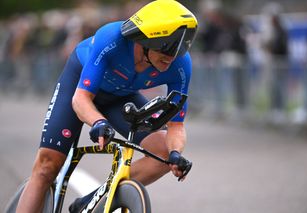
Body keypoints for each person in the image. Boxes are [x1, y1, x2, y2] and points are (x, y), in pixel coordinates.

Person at [16, 0, 198, 212]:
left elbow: (176, 126)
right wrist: (98, 121)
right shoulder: (112, 38)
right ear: (146, 39)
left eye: (178, 51)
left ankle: (93, 200)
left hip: (120, 97)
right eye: (166, 49)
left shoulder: (181, 64)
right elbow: (81, 99)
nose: (172, 57)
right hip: (80, 86)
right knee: (47, 166)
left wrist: (176, 152)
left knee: (164, 155)